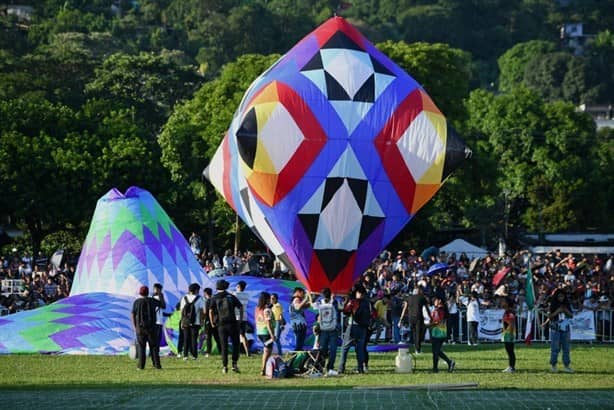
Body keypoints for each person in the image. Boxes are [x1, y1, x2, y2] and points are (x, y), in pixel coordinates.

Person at [210, 279, 243, 374]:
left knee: (223, 345)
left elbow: (210, 311)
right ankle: (234, 364)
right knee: (235, 343)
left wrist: (212, 322)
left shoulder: (214, 297)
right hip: (232, 323)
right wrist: (239, 319)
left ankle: (224, 366)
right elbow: (240, 307)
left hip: (221, 324)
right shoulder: (231, 296)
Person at [338, 285, 370, 374]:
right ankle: (360, 368)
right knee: (360, 349)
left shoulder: (354, 302)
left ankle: (341, 368)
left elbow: (345, 311)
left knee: (345, 348)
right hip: (363, 328)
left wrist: (346, 302)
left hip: (353, 327)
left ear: (358, 293)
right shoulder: (368, 303)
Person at [131, 285, 164, 370]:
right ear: (148, 292)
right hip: (152, 328)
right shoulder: (152, 300)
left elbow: (133, 314)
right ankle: (157, 365)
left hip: (140, 328)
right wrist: (160, 294)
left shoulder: (137, 302)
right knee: (153, 347)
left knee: (142, 347)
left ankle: (141, 366)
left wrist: (135, 326)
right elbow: (163, 305)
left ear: (140, 292)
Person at [544, 289, 574, 373]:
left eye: (562, 296)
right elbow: (550, 316)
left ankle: (567, 365)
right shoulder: (552, 305)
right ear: (556, 297)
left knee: (566, 348)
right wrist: (558, 310)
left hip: (565, 327)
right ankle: (553, 365)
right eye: (559, 296)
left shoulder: (567, 304)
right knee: (555, 347)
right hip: (555, 327)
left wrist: (565, 310)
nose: (561, 298)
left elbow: (571, 315)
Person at [313, 287, 340, 376]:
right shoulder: (323, 302)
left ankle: (329, 368)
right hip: (328, 330)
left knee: (331, 350)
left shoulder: (331, 302)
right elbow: (313, 306)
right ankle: (322, 367)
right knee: (325, 350)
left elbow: (312, 305)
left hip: (329, 330)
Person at [400, 286, 430, 354]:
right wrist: (430, 316)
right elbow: (427, 308)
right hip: (418, 317)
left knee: (414, 333)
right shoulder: (422, 298)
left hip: (411, 317)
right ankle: (418, 349)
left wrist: (401, 318)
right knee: (418, 333)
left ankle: (416, 347)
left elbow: (405, 308)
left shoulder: (409, 297)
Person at [429, 296, 455, 373]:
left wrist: (429, 324)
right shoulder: (444, 309)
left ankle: (436, 369)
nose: (434, 302)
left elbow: (437, 321)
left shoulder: (439, 310)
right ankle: (448, 363)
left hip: (437, 333)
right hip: (442, 332)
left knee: (435, 352)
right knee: (436, 351)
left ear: (439, 300)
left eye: (435, 300)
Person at [180, 283, 204, 360]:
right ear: (197, 290)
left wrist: (182, 321)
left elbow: (181, 311)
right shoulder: (199, 299)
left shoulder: (184, 298)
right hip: (195, 322)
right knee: (194, 339)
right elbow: (201, 311)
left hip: (186, 322)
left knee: (186, 338)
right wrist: (201, 321)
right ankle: (194, 355)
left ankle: (185, 355)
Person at [255, 291, 275, 376]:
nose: (270, 300)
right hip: (266, 332)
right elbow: (268, 323)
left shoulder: (257, 309)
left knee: (266, 351)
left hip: (260, 332)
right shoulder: (267, 310)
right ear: (266, 299)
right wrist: (272, 334)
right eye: (269, 298)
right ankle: (263, 369)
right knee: (267, 352)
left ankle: (265, 368)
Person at [233, 280, 251, 356]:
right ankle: (247, 352)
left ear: (238, 287)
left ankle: (236, 352)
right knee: (243, 335)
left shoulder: (235, 294)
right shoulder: (247, 295)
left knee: (235, 336)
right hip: (244, 317)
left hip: (236, 317)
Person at [202, 287, 221, 357]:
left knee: (208, 337)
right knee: (217, 337)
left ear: (205, 293)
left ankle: (208, 352)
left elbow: (206, 312)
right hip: (216, 321)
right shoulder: (215, 300)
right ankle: (221, 350)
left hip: (208, 321)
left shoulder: (207, 301)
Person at [151, 283, 166, 362]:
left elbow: (164, 306)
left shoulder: (160, 296)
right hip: (155, 321)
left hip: (158, 320)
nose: (156, 290)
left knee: (158, 338)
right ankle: (154, 351)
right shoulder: (152, 297)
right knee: (155, 338)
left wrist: (160, 296)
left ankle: (156, 351)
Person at [501, 297, 516, 373]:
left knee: (510, 351)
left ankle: (511, 367)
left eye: (503, 301)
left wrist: (510, 334)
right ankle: (510, 366)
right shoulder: (506, 311)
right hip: (506, 333)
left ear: (507, 303)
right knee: (509, 351)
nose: (502, 303)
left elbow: (512, 323)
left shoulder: (510, 312)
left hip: (509, 333)